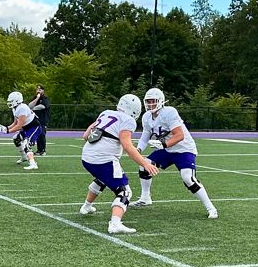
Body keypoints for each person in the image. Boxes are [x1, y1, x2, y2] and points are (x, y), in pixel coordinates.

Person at [132, 88, 218, 219]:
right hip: (167, 149)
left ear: (161, 101)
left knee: (188, 178)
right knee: (144, 165)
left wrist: (163, 145)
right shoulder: (147, 117)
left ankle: (211, 208)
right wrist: (137, 150)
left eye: (153, 101)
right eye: (148, 101)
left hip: (184, 149)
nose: (150, 104)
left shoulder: (169, 112)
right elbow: (145, 136)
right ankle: (145, 198)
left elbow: (179, 135)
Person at [78, 94, 157, 234]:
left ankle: (86, 207)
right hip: (103, 159)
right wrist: (145, 163)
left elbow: (86, 136)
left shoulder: (106, 113)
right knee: (124, 191)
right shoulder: (128, 120)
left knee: (103, 179)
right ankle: (115, 223)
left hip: (86, 157)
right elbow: (127, 146)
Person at [0, 91, 41, 170]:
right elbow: (15, 123)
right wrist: (6, 128)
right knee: (16, 138)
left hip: (34, 127)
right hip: (26, 127)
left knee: (26, 143)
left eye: (11, 101)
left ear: (17, 100)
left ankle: (33, 163)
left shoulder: (22, 108)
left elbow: (19, 126)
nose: (9, 103)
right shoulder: (15, 108)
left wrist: (8, 131)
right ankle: (24, 157)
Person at [31, 84, 50, 155]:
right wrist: (36, 99)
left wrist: (33, 108)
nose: (38, 91)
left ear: (43, 91)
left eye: (40, 89)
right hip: (36, 120)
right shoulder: (35, 98)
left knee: (42, 134)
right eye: (37, 89)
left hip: (43, 120)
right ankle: (39, 150)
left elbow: (43, 106)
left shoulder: (45, 98)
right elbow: (30, 105)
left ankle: (43, 150)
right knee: (37, 134)